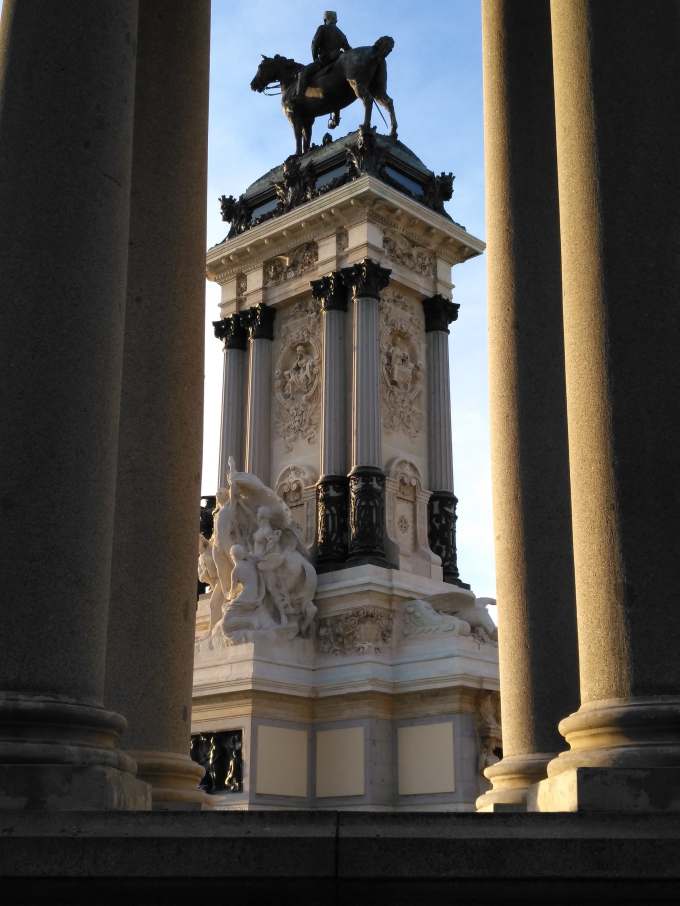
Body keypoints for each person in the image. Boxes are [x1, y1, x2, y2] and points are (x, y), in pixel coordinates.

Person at [297, 11, 351, 128]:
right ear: (336, 20)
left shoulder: (322, 28)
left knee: (303, 73)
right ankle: (336, 116)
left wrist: (315, 58)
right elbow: (349, 50)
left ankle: (299, 98)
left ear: (325, 20)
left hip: (324, 60)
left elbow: (314, 45)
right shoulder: (341, 34)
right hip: (338, 60)